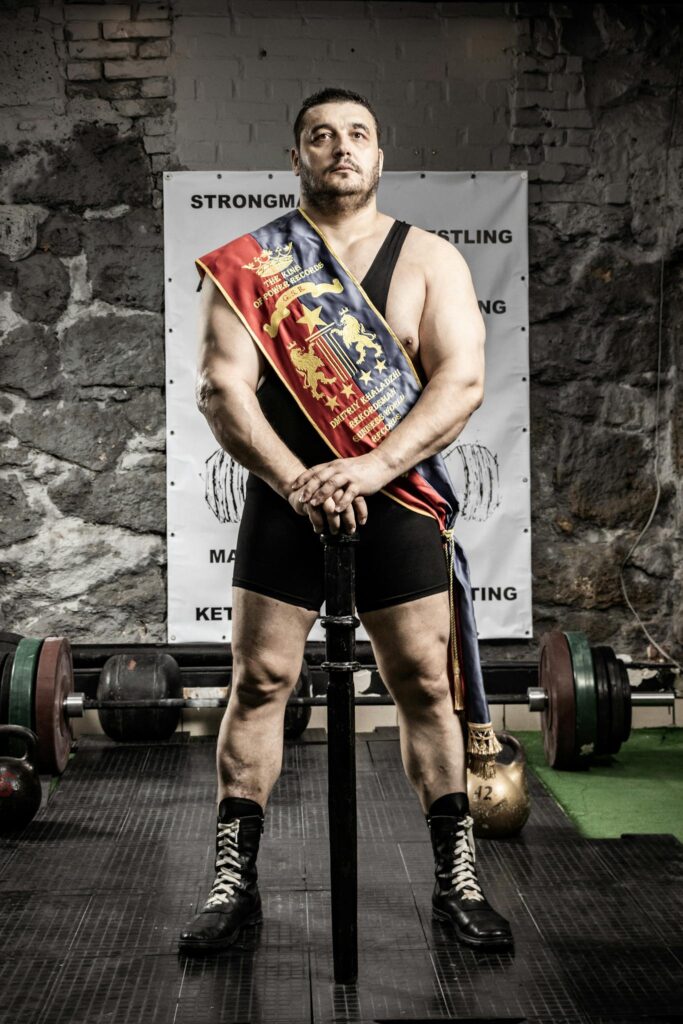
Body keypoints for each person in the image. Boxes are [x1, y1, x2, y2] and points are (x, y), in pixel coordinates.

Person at [178, 87, 513, 955]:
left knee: (425, 686)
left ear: (379, 155)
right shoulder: (253, 264)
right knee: (260, 683)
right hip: (284, 496)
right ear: (295, 156)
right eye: (320, 135)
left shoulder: (429, 259)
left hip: (395, 498)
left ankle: (457, 880)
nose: (340, 147)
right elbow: (221, 389)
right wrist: (297, 483)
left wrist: (368, 467)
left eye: (356, 134)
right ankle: (233, 884)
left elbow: (460, 383)